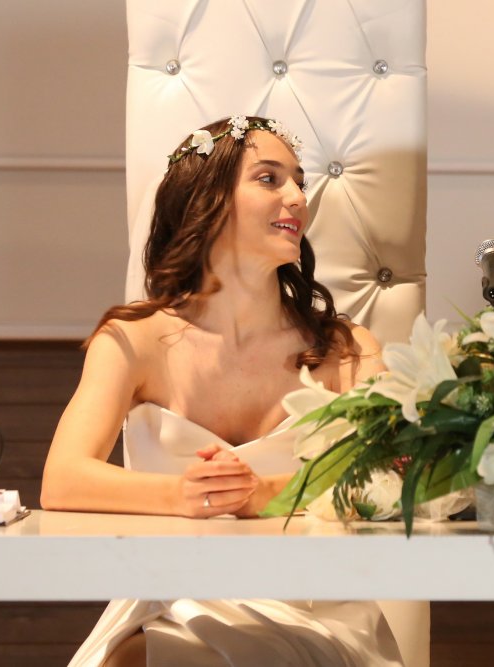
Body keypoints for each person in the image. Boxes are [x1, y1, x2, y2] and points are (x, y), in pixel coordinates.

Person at [41, 116, 403, 667]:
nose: (297, 197)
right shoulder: (132, 341)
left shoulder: (347, 349)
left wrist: (262, 495)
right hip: (172, 596)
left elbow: (396, 477)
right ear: (206, 201)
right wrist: (183, 497)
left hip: (315, 606)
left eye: (299, 181)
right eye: (269, 178)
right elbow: (62, 480)